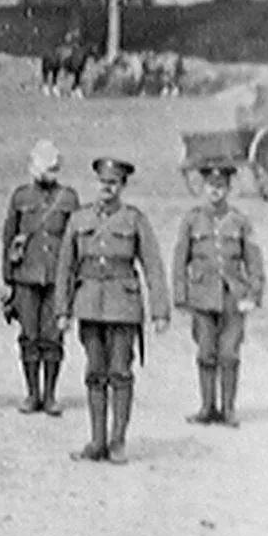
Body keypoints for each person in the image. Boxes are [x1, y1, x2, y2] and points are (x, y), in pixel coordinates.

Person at [53, 158, 170, 465]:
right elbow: (65, 266)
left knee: (120, 373)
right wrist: (62, 309)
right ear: (96, 183)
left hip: (123, 306)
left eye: (114, 183)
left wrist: (160, 311)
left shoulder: (134, 220)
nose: (107, 188)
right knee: (94, 373)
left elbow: (153, 265)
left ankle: (117, 442)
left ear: (122, 186)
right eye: (103, 182)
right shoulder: (79, 219)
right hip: (89, 303)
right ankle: (97, 441)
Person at [172, 162, 264, 427]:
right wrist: (181, 296)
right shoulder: (191, 220)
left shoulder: (240, 221)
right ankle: (207, 407)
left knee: (229, 353)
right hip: (202, 297)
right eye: (211, 186)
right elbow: (180, 260)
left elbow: (254, 261)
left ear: (228, 188)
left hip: (233, 297)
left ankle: (229, 409)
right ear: (203, 188)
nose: (216, 191)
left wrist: (253, 294)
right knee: (205, 352)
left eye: (221, 186)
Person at [2, 141, 79, 415]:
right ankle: (32, 393)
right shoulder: (20, 197)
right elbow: (8, 239)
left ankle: (50, 395)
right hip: (26, 276)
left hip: (57, 277)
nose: (48, 173)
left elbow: (75, 242)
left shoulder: (69, 199)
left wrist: (72, 281)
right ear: (32, 167)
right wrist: (8, 281)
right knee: (29, 335)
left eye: (53, 167)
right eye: (43, 167)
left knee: (53, 336)